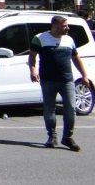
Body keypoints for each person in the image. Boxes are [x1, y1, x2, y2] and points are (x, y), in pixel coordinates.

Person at [28, 15, 92, 151]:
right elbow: (32, 56)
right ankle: (52, 136)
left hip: (66, 80)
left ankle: (67, 137)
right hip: (48, 80)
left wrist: (84, 75)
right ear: (55, 26)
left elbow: (76, 58)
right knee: (49, 108)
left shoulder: (69, 40)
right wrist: (33, 70)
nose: (67, 28)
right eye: (64, 26)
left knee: (71, 108)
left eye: (67, 25)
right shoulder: (40, 38)